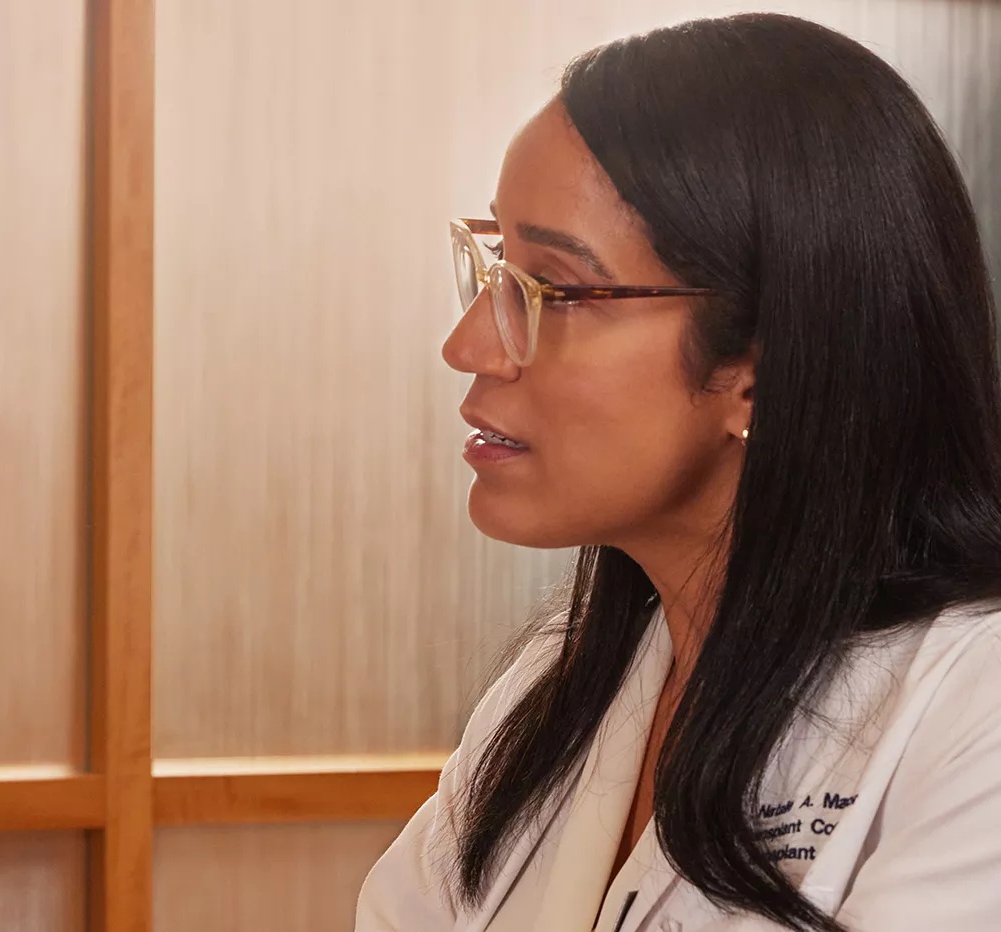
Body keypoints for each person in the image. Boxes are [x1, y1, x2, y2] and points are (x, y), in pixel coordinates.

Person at [357, 13, 1001, 932]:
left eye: (558, 291)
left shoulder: (974, 711)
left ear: (759, 364)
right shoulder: (558, 695)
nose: (471, 346)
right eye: (494, 268)